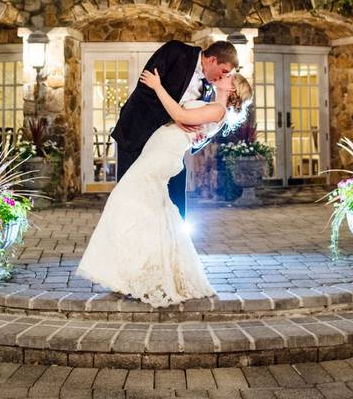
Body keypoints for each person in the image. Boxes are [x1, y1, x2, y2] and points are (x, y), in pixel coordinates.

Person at [77, 67, 253, 307]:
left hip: (162, 156)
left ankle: (137, 269)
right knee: (154, 212)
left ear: (232, 88)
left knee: (123, 199)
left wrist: (157, 86)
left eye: (230, 77)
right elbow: (187, 123)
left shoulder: (217, 109)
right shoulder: (212, 106)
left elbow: (181, 116)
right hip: (158, 152)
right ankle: (144, 269)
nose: (225, 75)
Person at [110, 40, 238, 218]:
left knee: (176, 203)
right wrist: (176, 117)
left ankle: (172, 241)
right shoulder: (176, 51)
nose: (222, 77)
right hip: (137, 135)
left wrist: (198, 139)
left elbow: (203, 125)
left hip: (169, 149)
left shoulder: (211, 90)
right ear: (212, 60)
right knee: (129, 196)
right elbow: (146, 89)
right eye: (224, 71)